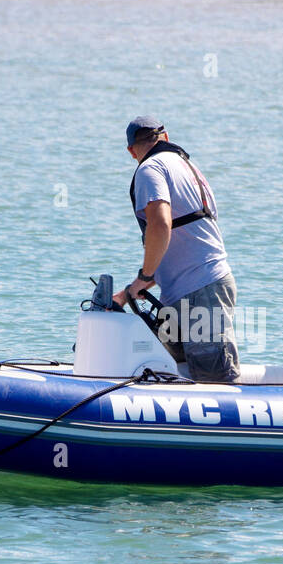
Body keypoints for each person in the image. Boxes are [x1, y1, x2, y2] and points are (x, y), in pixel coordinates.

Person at [114, 116, 240, 383]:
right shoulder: (186, 165)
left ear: (131, 151)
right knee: (161, 366)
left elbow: (160, 224)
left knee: (214, 381)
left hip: (200, 291)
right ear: (166, 138)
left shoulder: (150, 169)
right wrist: (132, 290)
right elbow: (186, 234)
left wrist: (146, 276)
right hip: (192, 290)